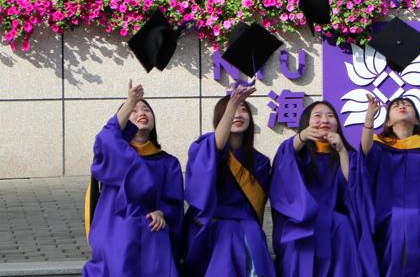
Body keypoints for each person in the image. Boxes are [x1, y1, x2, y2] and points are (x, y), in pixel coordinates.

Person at [83, 80, 183, 277]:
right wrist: (130, 101)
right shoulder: (116, 155)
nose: (141, 113)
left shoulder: (168, 162)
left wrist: (162, 213)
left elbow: (174, 201)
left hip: (152, 232)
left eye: (146, 109)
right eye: (134, 111)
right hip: (117, 230)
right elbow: (106, 138)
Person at [270, 101, 378, 276]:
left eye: (330, 116)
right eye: (317, 116)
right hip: (302, 221)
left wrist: (342, 150)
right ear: (306, 122)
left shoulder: (346, 154)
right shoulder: (298, 153)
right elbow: (283, 163)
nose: (324, 120)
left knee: (343, 226)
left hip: (336, 224)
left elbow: (353, 185)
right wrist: (301, 137)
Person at [182, 86, 275, 276]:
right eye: (231, 110)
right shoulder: (204, 147)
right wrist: (231, 104)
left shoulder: (261, 162)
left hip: (247, 229)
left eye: (243, 110)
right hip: (211, 228)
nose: (238, 114)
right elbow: (202, 178)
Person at [359, 95, 420, 276]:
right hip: (386, 219)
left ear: (417, 119)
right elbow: (364, 155)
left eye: (408, 105)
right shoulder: (378, 149)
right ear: (388, 121)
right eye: (396, 105)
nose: (402, 106)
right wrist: (369, 120)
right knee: (399, 221)